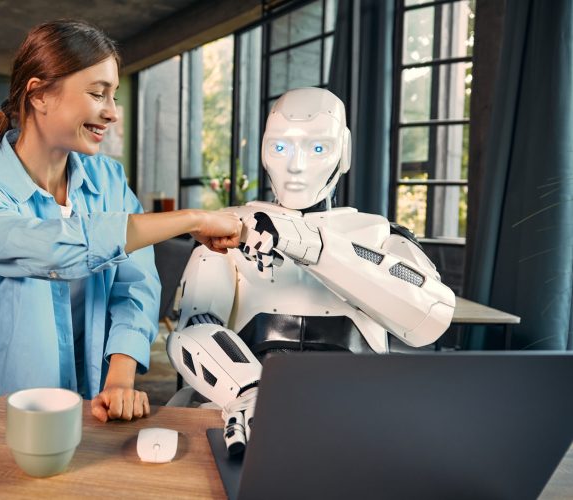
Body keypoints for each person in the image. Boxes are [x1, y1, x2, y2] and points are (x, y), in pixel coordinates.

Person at [0, 19, 241, 433]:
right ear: (40, 94)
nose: (113, 112)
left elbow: (135, 283)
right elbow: (50, 249)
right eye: (98, 93)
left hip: (92, 389)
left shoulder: (109, 179)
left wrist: (119, 377)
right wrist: (189, 219)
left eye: (114, 95)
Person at [166, 87, 456, 454]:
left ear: (343, 152)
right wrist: (251, 391)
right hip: (245, 415)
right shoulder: (229, 229)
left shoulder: (377, 234)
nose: (296, 166)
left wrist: (313, 245)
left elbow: (432, 317)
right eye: (280, 148)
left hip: (356, 419)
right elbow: (193, 330)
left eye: (317, 148)